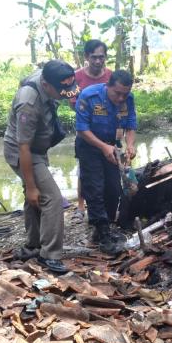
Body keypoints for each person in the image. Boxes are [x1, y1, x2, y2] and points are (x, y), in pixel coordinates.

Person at [3, 60, 80, 274]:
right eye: (61, 90)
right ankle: (50, 255)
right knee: (52, 198)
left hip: (38, 146)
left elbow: (69, 88)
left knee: (36, 197)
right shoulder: (28, 103)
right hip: (23, 151)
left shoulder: (51, 78)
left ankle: (33, 245)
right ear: (46, 85)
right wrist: (30, 186)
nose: (67, 93)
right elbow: (23, 148)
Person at [75, 70, 137, 253]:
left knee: (114, 188)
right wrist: (102, 147)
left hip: (111, 147)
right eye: (117, 93)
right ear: (108, 85)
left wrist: (130, 145)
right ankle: (102, 233)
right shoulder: (89, 96)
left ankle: (105, 224)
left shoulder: (128, 99)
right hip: (89, 146)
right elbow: (82, 130)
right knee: (94, 188)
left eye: (124, 94)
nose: (120, 98)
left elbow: (131, 124)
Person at [71, 39, 113, 219]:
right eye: (94, 57)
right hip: (86, 131)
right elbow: (73, 102)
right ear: (86, 57)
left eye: (101, 57)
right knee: (85, 171)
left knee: (107, 173)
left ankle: (103, 209)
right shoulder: (77, 78)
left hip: (108, 133)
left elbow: (119, 101)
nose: (98, 61)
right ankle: (81, 205)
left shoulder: (111, 76)